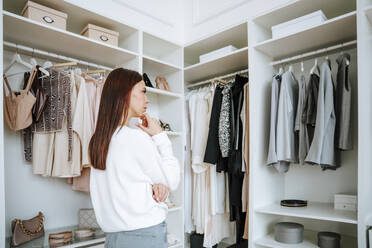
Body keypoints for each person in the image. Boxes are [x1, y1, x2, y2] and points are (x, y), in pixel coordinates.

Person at [89, 68, 180, 248]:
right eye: (143, 92)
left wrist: (155, 184)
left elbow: (126, 180)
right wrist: (160, 137)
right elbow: (172, 180)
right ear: (125, 94)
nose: (147, 100)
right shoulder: (135, 138)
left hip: (114, 238)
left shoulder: (98, 141)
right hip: (145, 235)